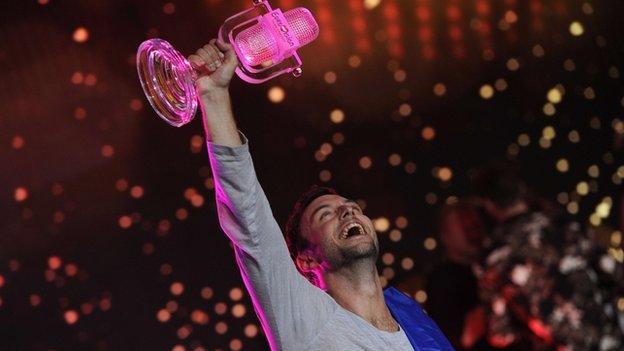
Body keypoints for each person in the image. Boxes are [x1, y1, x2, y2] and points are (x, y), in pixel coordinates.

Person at [188, 39, 453, 350]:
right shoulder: (305, 318)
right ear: (305, 258)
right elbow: (249, 219)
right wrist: (215, 95)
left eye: (352, 207)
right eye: (325, 214)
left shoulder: (415, 320)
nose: (348, 212)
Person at [473, 164, 624, 350]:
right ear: (522, 189)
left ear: (488, 204)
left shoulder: (492, 259)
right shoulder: (563, 225)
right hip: (609, 338)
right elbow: (613, 272)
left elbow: (500, 334)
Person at [426, 201, 491, 350]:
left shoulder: (490, 262)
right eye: (465, 227)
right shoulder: (442, 279)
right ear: (446, 236)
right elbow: (461, 336)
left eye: (475, 225)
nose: (473, 232)